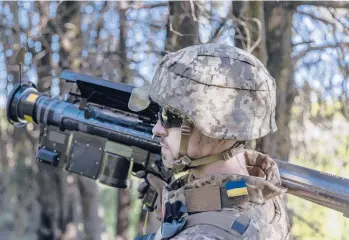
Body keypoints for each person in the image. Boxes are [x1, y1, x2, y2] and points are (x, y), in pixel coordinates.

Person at [136, 43, 291, 240]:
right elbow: (222, 199)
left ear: (215, 130)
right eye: (159, 112)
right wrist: (172, 198)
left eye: (169, 116)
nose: (156, 129)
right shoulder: (257, 189)